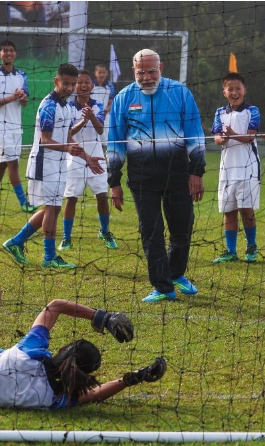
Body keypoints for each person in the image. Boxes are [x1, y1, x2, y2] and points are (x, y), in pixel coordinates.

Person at [0, 233, 166, 409]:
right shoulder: (53, 398)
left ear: (65, 350)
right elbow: (92, 395)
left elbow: (54, 306)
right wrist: (132, 378)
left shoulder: (31, 353)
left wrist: (103, 317)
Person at [107, 49, 206, 303]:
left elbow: (195, 134)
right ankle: (163, 287)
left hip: (177, 174)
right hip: (142, 177)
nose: (147, 77)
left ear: (160, 68)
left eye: (152, 71)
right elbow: (115, 142)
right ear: (133, 71)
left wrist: (196, 172)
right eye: (141, 73)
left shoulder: (180, 93)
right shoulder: (123, 98)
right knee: (151, 231)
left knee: (182, 228)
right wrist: (114, 182)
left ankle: (175, 273)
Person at [2, 64, 104, 269]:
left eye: (73, 84)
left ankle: (16, 242)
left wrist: (87, 157)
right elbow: (45, 140)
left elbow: (67, 136)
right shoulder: (49, 106)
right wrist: (67, 148)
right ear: (56, 81)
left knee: (53, 207)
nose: (70, 88)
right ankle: (48, 257)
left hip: (59, 164)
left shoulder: (67, 107)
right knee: (52, 208)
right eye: (66, 83)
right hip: (44, 164)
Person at [59, 69, 117, 251]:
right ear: (74, 86)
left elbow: (100, 130)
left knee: (102, 196)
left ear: (92, 86)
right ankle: (66, 237)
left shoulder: (97, 106)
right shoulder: (67, 107)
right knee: (71, 198)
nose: (83, 85)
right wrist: (84, 121)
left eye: (87, 82)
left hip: (96, 155)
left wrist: (91, 117)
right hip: (74, 157)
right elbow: (67, 133)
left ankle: (105, 231)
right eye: (80, 82)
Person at [0, 40, 37, 213]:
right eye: (4, 51)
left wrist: (22, 99)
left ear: (15, 53)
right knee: (13, 163)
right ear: (0, 55)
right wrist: (12, 98)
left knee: (2, 164)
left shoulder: (22, 75)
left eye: (11, 50)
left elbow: (24, 102)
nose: (8, 53)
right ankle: (23, 203)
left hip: (16, 127)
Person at [210, 73, 261, 264]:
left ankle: (251, 247)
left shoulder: (252, 111)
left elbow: (251, 136)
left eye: (238, 88)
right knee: (228, 209)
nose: (234, 92)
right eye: (230, 89)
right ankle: (231, 251)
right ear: (224, 92)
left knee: (246, 208)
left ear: (244, 90)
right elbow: (216, 138)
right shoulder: (220, 113)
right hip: (227, 168)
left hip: (248, 168)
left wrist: (232, 134)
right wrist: (223, 138)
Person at [90, 63, 115, 146]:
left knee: (106, 139)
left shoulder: (110, 86)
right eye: (99, 72)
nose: (101, 75)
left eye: (103, 72)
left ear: (107, 73)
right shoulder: (90, 84)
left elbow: (111, 102)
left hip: (105, 115)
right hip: (91, 114)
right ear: (95, 73)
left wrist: (105, 111)